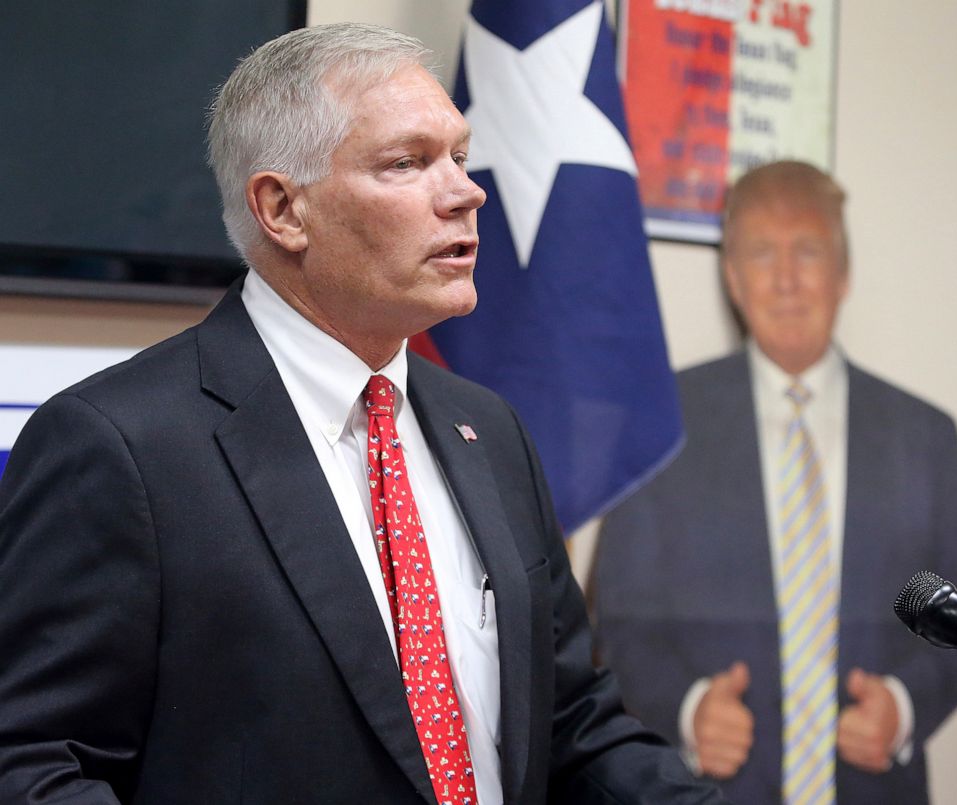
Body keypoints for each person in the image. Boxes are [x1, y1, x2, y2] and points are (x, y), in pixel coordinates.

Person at [0, 23, 727, 805]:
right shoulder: (120, 445)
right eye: (408, 163)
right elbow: (31, 762)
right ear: (283, 209)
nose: (466, 191)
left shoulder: (491, 431)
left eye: (457, 153)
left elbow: (573, 727)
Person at [593, 160, 957, 804]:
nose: (784, 280)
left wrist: (905, 706)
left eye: (807, 251)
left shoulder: (926, 436)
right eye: (759, 253)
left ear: (844, 273)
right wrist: (688, 710)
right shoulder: (661, 422)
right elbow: (618, 622)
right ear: (731, 277)